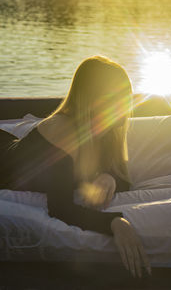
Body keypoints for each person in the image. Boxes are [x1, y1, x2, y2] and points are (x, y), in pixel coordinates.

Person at [1, 55, 151, 278]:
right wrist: (115, 222)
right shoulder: (64, 131)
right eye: (118, 97)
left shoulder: (103, 130)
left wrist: (109, 177)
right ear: (95, 100)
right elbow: (60, 208)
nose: (128, 104)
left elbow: (123, 178)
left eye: (127, 95)